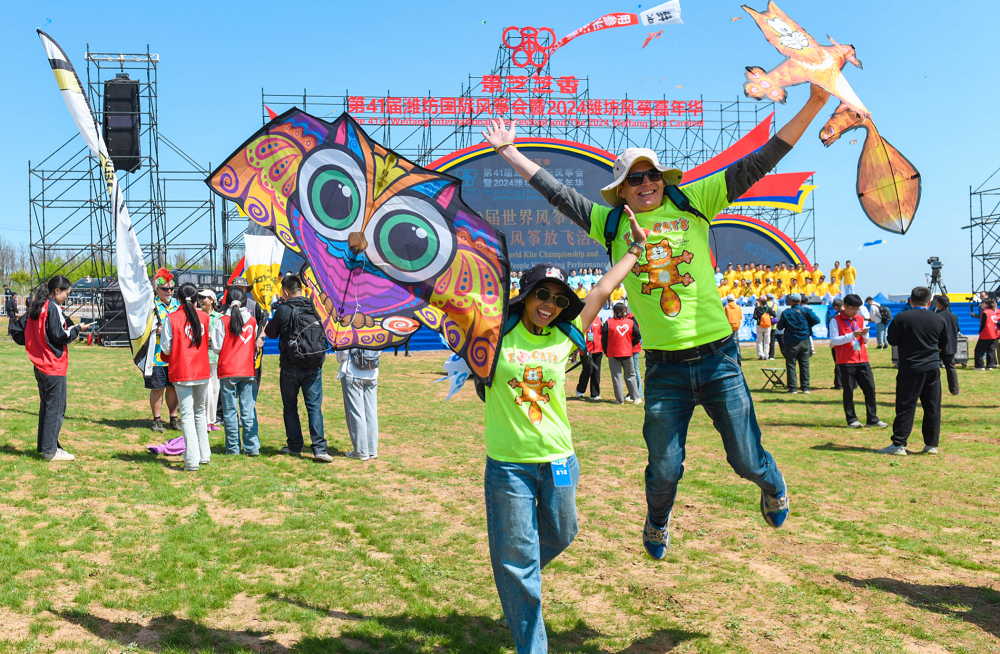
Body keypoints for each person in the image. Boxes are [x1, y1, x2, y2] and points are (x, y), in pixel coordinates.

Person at [482, 84, 832, 561]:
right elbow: (558, 194)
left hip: (719, 359)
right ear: (621, 190)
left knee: (745, 458)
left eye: (652, 174)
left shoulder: (696, 200)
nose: (646, 182)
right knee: (664, 466)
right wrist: (509, 152)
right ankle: (658, 519)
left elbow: (763, 158)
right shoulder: (609, 224)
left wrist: (814, 103)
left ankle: (772, 483)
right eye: (635, 178)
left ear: (663, 180)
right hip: (664, 368)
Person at [476, 211, 645, 653]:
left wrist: (635, 249)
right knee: (519, 563)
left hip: (559, 461)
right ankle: (529, 631)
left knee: (563, 533)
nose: (549, 303)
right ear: (526, 295)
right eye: (541, 294)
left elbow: (602, 290)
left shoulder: (566, 335)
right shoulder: (494, 335)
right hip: (509, 468)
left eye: (557, 297)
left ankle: (516, 571)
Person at [264, 274, 334, 462]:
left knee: (290, 407)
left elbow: (271, 333)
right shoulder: (315, 307)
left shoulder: (284, 309)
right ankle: (320, 449)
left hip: (290, 365)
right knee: (314, 407)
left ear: (286, 292)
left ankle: (295, 446)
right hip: (313, 364)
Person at [22, 276, 91, 461]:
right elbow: (60, 335)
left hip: (40, 363)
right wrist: (77, 329)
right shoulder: (52, 307)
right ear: (57, 290)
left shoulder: (38, 306)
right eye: (66, 294)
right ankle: (50, 451)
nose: (67, 298)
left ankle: (46, 446)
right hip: (52, 364)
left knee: (47, 407)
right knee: (56, 408)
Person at [881, 287, 947, 455]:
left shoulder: (902, 317)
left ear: (910, 301)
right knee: (932, 406)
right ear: (929, 302)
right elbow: (943, 344)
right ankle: (931, 444)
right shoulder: (938, 319)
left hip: (910, 367)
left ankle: (899, 444)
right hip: (932, 367)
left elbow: (892, 340)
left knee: (906, 405)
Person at [159, 283, 212, 471]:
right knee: (200, 413)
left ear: (178, 298)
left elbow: (166, 348)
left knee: (188, 416)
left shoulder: (172, 318)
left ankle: (191, 460)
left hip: (182, 371)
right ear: (197, 298)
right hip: (202, 370)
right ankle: (204, 454)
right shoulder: (205, 317)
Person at [212, 286, 260, 456]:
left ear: (226, 302)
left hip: (227, 371)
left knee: (230, 411)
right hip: (247, 370)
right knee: (248, 409)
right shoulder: (252, 321)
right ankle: (251, 447)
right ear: (245, 301)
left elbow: (216, 347)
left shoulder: (222, 321)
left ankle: (232, 448)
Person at [829, 295, 888, 429]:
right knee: (849, 390)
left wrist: (864, 334)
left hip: (862, 359)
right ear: (845, 306)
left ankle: (872, 419)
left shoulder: (860, 319)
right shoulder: (836, 320)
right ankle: (852, 419)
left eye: (857, 309)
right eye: (852, 308)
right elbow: (834, 341)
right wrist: (852, 335)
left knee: (870, 389)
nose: (855, 311)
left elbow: (864, 340)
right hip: (846, 361)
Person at [146, 268, 180, 433]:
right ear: (157, 289)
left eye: (171, 289)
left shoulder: (177, 305)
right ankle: (157, 420)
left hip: (175, 355)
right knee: (158, 388)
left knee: (173, 388)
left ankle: (174, 418)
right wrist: (154, 330)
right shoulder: (150, 306)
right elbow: (141, 328)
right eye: (165, 289)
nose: (169, 292)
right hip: (156, 355)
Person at [337, 346, 381, 461]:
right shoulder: (375, 333)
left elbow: (342, 355)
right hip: (372, 372)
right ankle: (372, 450)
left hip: (353, 372)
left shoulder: (349, 333)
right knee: (371, 413)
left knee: (356, 413)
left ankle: (361, 451)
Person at [776, 293, 819, 394]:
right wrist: (808, 324)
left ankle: (793, 388)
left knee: (791, 364)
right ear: (800, 301)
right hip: (805, 340)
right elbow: (817, 320)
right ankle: (806, 388)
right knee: (805, 364)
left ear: (790, 301)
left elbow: (780, 327)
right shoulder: (806, 310)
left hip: (791, 341)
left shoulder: (787, 312)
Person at [602, 303, 642, 405]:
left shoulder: (608, 322)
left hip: (613, 353)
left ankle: (619, 400)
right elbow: (638, 335)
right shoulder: (630, 322)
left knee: (617, 377)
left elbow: (604, 339)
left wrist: (606, 351)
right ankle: (636, 398)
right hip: (628, 352)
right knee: (631, 376)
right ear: (624, 311)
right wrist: (632, 344)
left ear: (613, 311)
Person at [198, 289, 223, 432]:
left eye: (204, 297)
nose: (201, 300)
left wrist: (211, 339)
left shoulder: (220, 317)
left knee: (215, 389)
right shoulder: (197, 315)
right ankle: (206, 420)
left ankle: (212, 420)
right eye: (200, 297)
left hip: (216, 356)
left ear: (212, 300)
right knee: (206, 389)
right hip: (201, 357)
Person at [933, 295, 960, 396]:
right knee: (951, 368)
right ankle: (955, 390)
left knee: (934, 369)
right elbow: (957, 330)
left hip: (938, 346)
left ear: (939, 304)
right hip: (951, 346)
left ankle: (934, 390)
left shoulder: (937, 316)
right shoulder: (954, 317)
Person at [575, 313, 603, 400]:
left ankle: (595, 394)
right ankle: (580, 390)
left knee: (596, 371)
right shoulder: (582, 320)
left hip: (598, 349)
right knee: (588, 370)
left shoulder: (598, 319)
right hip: (586, 350)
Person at [974, 298, 998, 370]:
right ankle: (990, 365)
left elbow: (983, 324)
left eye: (983, 303)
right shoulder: (993, 312)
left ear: (986, 304)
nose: (981, 304)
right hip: (993, 334)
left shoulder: (985, 312)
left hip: (986, 334)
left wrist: (980, 331)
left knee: (978, 350)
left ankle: (979, 366)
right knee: (990, 350)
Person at [753, 295, 775, 360]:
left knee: (759, 341)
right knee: (767, 341)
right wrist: (773, 311)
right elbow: (774, 315)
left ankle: (761, 355)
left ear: (760, 301)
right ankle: (766, 355)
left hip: (759, 325)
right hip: (767, 326)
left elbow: (754, 317)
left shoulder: (757, 308)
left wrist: (759, 317)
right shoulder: (768, 308)